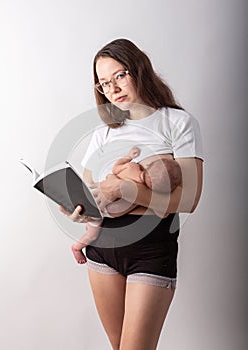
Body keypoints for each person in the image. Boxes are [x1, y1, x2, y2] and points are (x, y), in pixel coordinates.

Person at [60, 38, 203, 350]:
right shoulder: (103, 133)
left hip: (152, 248)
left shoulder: (177, 122)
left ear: (139, 69)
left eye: (119, 76)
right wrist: (77, 208)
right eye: (103, 83)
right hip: (102, 247)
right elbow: (91, 193)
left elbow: (190, 199)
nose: (112, 88)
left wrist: (126, 188)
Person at [71, 146, 182, 264]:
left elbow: (115, 169)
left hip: (97, 200)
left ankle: (80, 239)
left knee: (91, 229)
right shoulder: (145, 193)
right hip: (102, 211)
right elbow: (163, 213)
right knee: (91, 235)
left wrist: (128, 157)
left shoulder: (131, 167)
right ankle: (76, 247)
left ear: (148, 165)